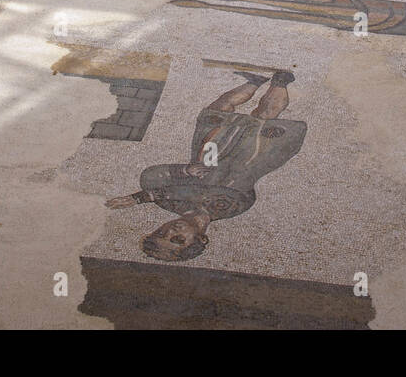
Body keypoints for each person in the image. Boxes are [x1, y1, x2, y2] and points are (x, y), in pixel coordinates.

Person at [105, 70, 305, 262]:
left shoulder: (167, 201)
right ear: (200, 239)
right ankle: (280, 82)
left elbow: (151, 176)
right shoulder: (228, 209)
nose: (171, 231)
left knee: (218, 109)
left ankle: (254, 81)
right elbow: (216, 191)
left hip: (209, 155)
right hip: (250, 155)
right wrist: (145, 196)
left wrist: (183, 172)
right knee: (264, 117)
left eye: (161, 233)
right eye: (177, 239)